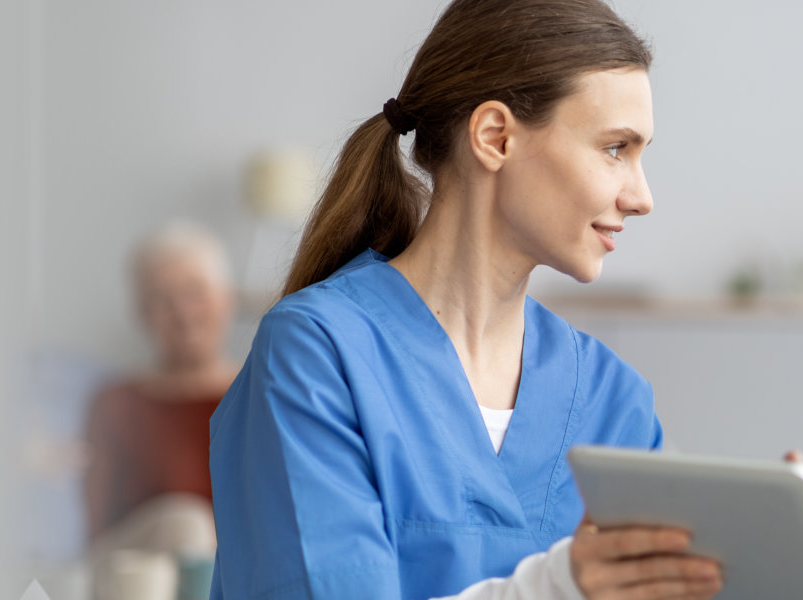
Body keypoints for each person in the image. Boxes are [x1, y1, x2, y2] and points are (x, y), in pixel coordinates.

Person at [207, 1, 721, 599]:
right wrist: (558, 588)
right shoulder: (318, 357)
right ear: (494, 137)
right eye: (616, 149)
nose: (642, 196)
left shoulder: (613, 400)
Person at [84, 221, 232, 562]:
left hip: (242, 571)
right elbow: (96, 529)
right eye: (163, 299)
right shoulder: (115, 404)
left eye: (195, 292)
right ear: (140, 313)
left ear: (226, 298)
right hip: (135, 571)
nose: (183, 314)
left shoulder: (264, 393)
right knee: (186, 526)